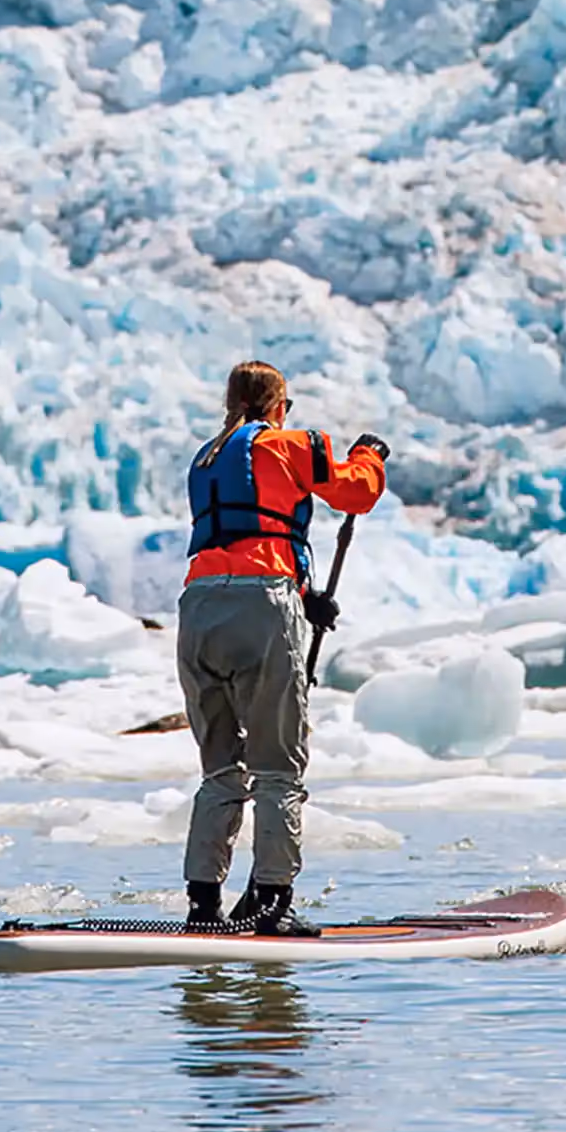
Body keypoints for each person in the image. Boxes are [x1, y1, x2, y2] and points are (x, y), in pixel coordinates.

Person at [177, 359, 388, 939]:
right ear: (277, 406)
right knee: (278, 767)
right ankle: (271, 901)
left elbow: (240, 542)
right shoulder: (288, 443)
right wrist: (369, 454)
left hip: (198, 607)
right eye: (286, 407)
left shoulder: (207, 457)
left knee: (221, 769)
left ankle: (203, 906)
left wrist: (305, 595)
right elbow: (355, 492)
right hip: (261, 608)